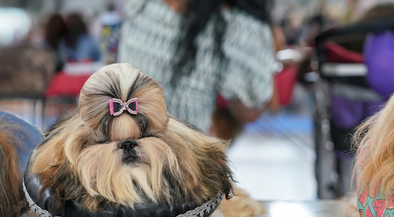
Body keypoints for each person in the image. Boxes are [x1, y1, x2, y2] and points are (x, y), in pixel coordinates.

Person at [119, 0, 278, 133]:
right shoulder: (236, 24)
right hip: (182, 156)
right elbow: (249, 111)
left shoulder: (141, 5)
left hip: (121, 146)